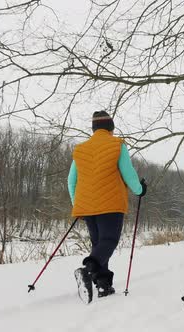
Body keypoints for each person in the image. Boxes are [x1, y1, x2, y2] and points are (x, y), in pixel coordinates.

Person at [68, 111, 147, 304]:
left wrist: (77, 204)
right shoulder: (116, 145)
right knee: (109, 241)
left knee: (98, 245)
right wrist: (140, 190)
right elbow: (128, 173)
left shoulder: (81, 149)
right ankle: (87, 270)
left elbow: (71, 181)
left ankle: (103, 284)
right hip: (110, 205)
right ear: (111, 128)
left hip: (87, 207)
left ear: (94, 129)